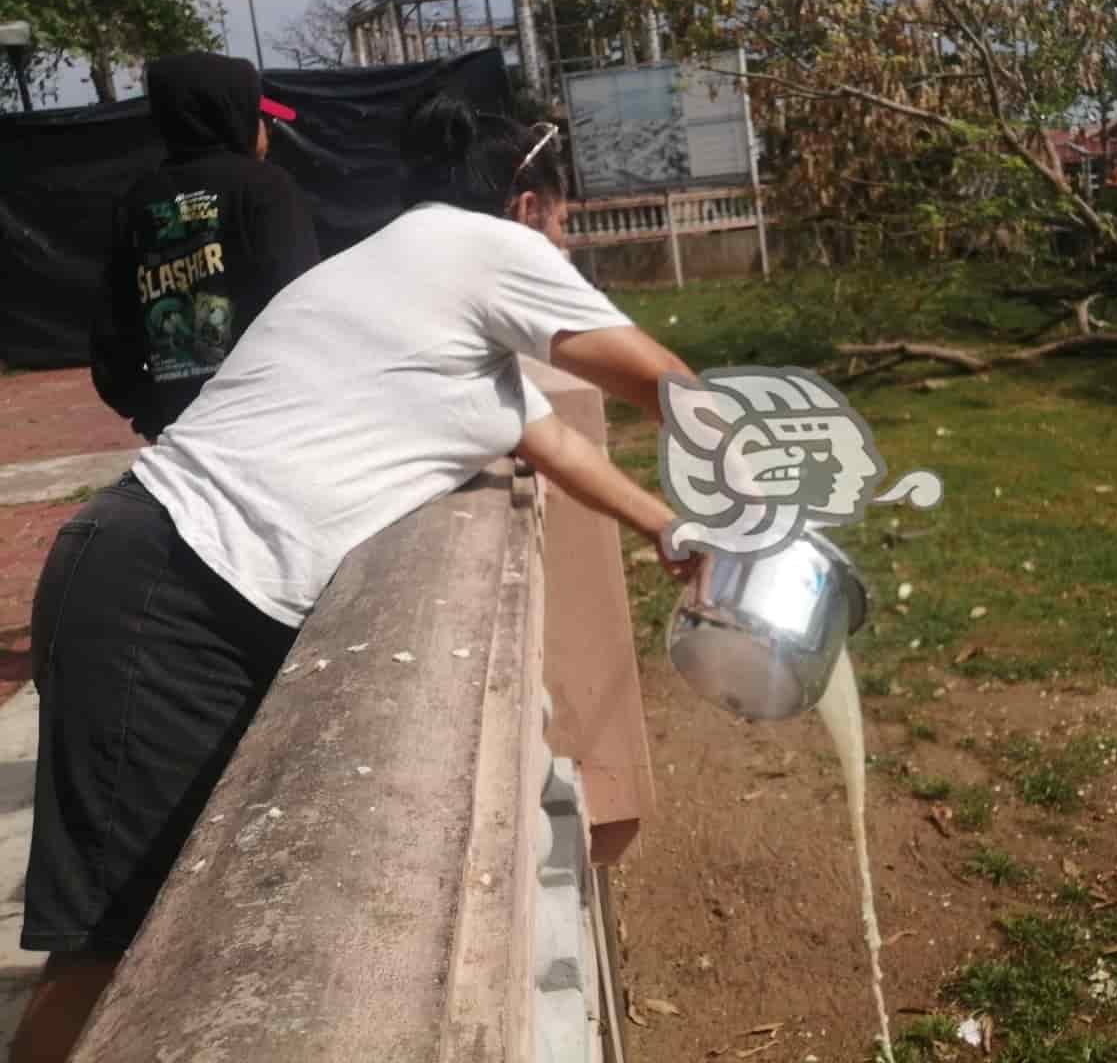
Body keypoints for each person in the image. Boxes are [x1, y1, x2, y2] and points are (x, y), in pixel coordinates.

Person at [13, 95, 698, 1062]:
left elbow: (545, 440)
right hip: (166, 595)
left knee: (164, 920)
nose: (569, 238)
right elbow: (654, 377)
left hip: (172, 578)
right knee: (111, 944)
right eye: (566, 216)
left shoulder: (422, 289)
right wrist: (752, 454)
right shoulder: (481, 248)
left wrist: (671, 527)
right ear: (528, 204)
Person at [90, 51, 322, 442]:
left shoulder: (135, 201)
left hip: (181, 428)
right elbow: (304, 303)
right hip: (266, 419)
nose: (265, 126)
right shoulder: (266, 188)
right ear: (230, 113)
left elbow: (112, 327)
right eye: (257, 114)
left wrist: (148, 412)